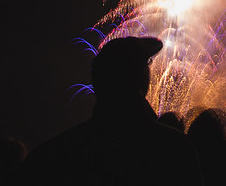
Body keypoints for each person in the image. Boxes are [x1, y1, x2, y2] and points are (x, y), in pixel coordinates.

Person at [15, 36, 203, 185]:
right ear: (141, 80)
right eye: (146, 65)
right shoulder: (173, 150)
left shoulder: (51, 157)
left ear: (97, 82)